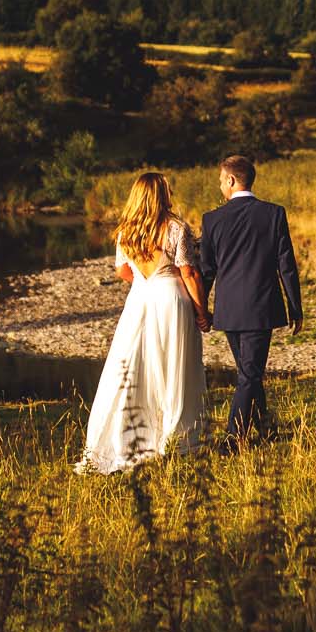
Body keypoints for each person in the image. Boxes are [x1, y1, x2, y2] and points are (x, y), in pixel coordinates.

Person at [76, 172, 208, 473]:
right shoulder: (176, 228)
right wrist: (202, 311)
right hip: (171, 299)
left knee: (135, 365)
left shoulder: (126, 231)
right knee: (174, 365)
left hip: (140, 299)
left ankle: (129, 436)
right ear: (162, 194)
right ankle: (174, 436)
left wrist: (143, 280)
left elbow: (123, 270)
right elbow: (190, 273)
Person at [197, 153, 302, 444]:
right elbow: (286, 265)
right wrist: (295, 307)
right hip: (261, 307)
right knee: (250, 374)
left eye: (221, 180)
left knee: (248, 372)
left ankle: (253, 432)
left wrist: (200, 307)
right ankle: (237, 438)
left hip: (228, 310)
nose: (220, 186)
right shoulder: (274, 214)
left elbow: (207, 271)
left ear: (231, 180)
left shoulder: (212, 220)